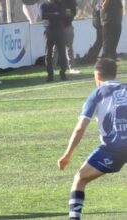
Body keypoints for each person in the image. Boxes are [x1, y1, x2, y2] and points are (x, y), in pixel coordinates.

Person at [58, 59, 127, 220]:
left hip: (113, 149)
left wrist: (67, 154)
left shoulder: (97, 94)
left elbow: (80, 128)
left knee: (80, 178)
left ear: (97, 75)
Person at [40, 0, 68, 82]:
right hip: (49, 31)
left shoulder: (60, 3)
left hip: (60, 31)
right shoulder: (44, 5)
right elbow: (43, 15)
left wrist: (51, 15)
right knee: (48, 54)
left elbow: (63, 14)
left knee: (62, 53)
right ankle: (50, 75)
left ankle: (63, 73)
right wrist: (55, 14)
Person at [52, 0, 81, 74]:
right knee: (56, 48)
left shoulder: (71, 1)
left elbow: (74, 12)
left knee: (69, 47)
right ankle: (51, 68)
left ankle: (72, 68)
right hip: (57, 26)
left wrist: (68, 14)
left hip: (68, 25)